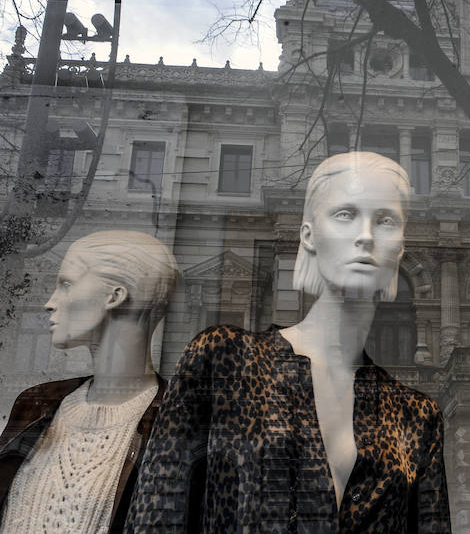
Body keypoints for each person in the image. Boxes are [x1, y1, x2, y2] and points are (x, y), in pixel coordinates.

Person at [126, 151, 451, 533]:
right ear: (309, 236)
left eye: (385, 220)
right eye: (345, 215)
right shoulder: (225, 360)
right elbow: (157, 511)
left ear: (400, 247)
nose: (366, 236)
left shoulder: (417, 415)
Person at [0, 230, 178, 534]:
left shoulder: (175, 423)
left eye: (66, 285)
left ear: (114, 296)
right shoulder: (36, 405)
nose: (50, 303)